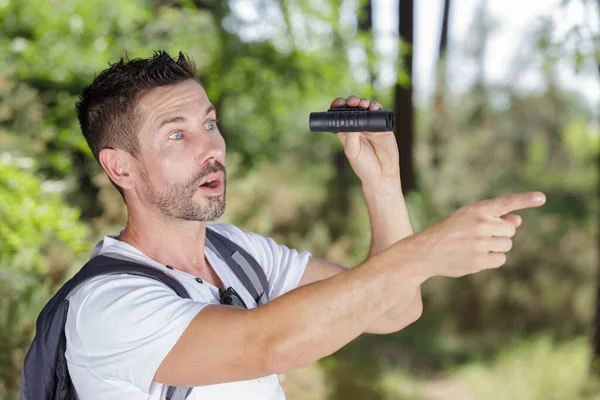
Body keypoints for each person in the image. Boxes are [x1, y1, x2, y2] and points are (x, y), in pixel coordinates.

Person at [66, 50, 546, 399]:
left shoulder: (236, 253)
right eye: (177, 133)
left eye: (210, 124)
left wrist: (382, 182)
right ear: (120, 168)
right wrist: (424, 250)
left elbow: (391, 310)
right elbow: (267, 344)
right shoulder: (107, 304)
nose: (210, 149)